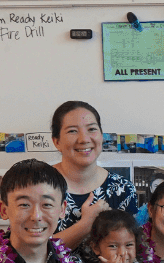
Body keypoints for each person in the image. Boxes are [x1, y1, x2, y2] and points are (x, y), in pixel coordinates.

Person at [49, 100, 140, 250]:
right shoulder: (38, 186)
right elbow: (30, 251)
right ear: (56, 141)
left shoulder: (122, 189)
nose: (84, 139)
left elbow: (129, 252)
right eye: (72, 131)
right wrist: (86, 224)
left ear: (101, 136)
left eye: (91, 129)